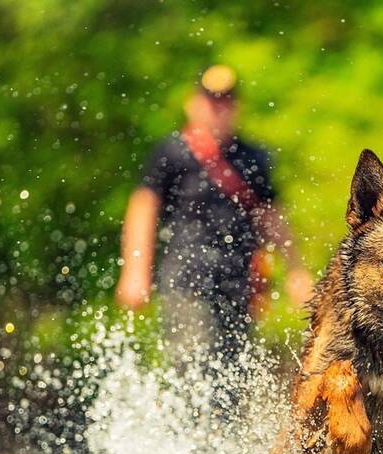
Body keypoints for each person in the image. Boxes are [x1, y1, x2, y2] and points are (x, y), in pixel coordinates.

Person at [115, 64, 312, 385]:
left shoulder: (254, 158)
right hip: (186, 278)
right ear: (193, 103)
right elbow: (143, 208)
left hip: (238, 283)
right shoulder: (171, 152)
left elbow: (269, 216)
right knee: (193, 362)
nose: (219, 108)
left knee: (233, 374)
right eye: (211, 100)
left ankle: (222, 433)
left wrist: (295, 270)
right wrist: (135, 270)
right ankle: (190, 432)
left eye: (227, 101)